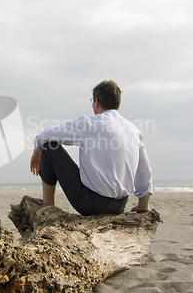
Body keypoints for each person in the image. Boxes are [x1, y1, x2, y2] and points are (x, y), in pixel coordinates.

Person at [30, 80, 152, 215]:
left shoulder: (89, 123)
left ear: (97, 102)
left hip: (91, 204)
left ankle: (48, 209)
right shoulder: (133, 130)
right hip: (119, 205)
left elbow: (46, 135)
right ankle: (49, 208)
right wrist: (143, 205)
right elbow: (144, 170)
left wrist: (36, 153)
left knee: (48, 147)